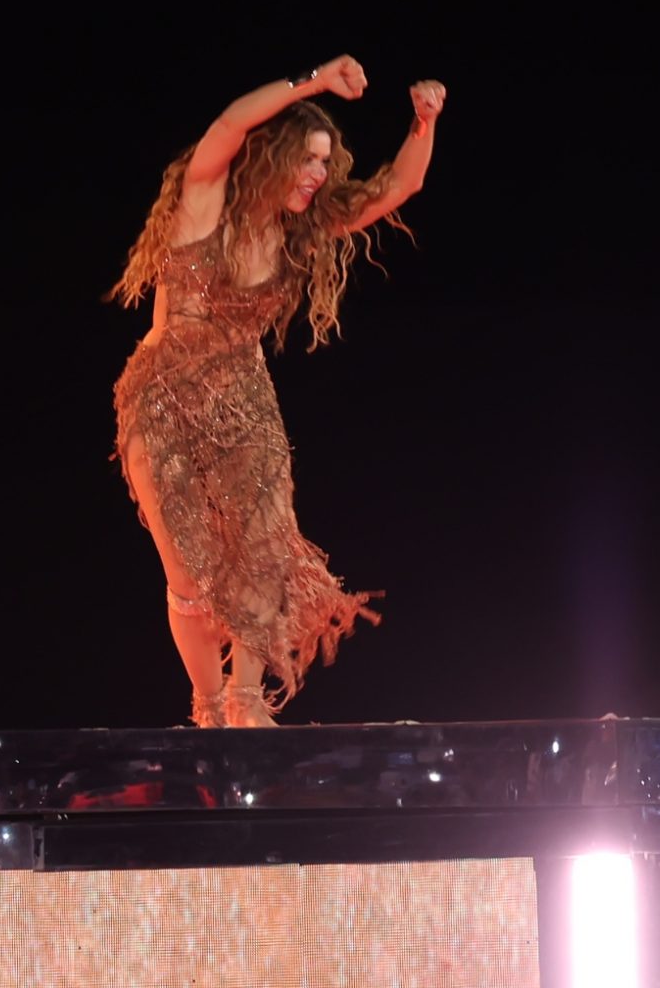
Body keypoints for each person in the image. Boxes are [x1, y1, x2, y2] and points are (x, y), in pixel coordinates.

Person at [108, 55, 445, 726]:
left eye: (327, 162)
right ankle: (207, 707)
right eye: (310, 159)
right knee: (193, 579)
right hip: (164, 400)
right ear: (276, 156)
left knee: (264, 548)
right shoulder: (206, 197)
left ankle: (245, 697)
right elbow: (232, 120)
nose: (320, 174)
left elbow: (399, 186)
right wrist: (316, 82)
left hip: (244, 398)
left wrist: (423, 121)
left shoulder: (304, 229)